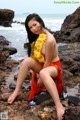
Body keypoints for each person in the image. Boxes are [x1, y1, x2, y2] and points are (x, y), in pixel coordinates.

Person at [8, 13, 65, 120]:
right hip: (44, 65)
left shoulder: (49, 40)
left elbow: (48, 62)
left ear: (40, 22)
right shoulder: (38, 36)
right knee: (26, 61)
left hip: (54, 68)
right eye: (30, 27)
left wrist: (39, 77)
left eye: (35, 24)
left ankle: (59, 105)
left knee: (43, 73)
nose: (34, 29)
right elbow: (36, 57)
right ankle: (17, 90)